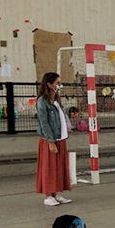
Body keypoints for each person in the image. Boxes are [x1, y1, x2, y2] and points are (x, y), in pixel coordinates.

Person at [36, 72, 72, 206]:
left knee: (59, 167)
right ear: (49, 85)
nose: (60, 85)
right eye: (57, 83)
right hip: (49, 139)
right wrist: (50, 141)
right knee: (49, 167)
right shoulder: (42, 102)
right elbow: (44, 123)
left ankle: (56, 193)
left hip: (61, 137)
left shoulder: (56, 100)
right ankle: (48, 195)